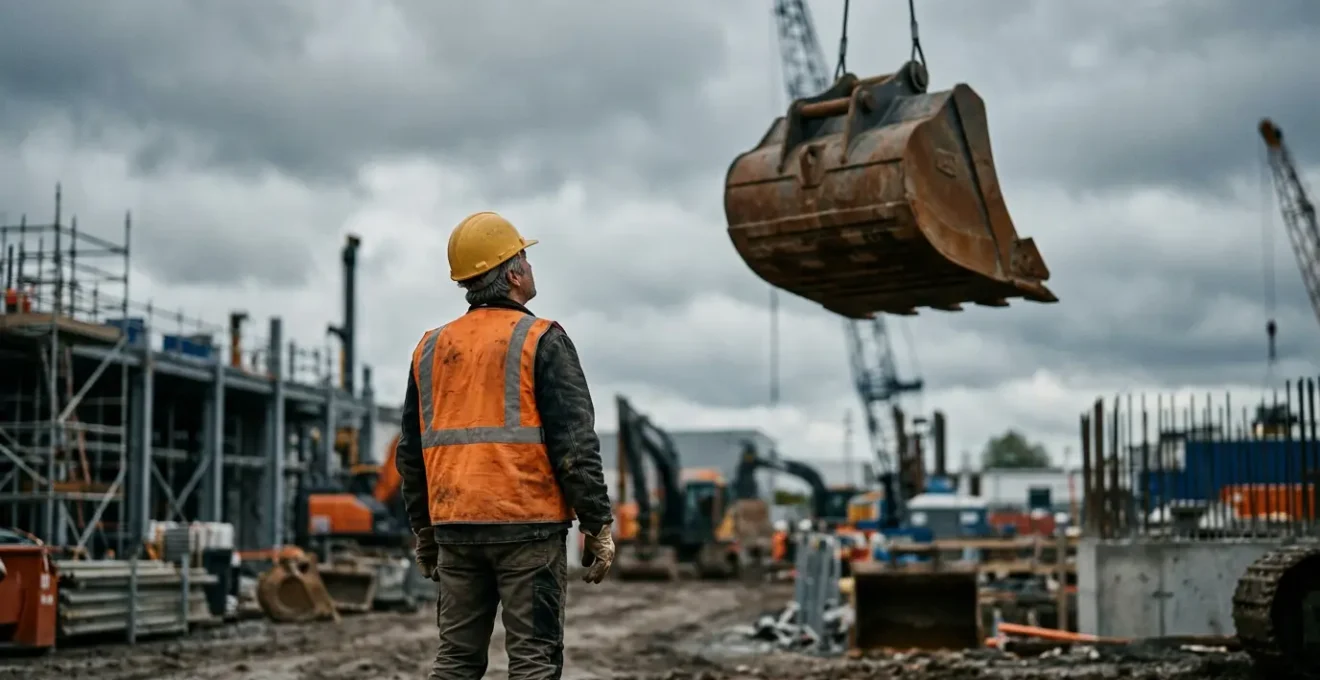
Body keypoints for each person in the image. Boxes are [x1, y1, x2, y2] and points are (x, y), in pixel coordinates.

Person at [395, 211, 616, 680]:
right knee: (534, 660)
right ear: (513, 274)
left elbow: (411, 454)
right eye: (525, 259)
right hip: (527, 528)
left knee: (456, 660)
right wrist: (597, 524)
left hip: (455, 527)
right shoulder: (542, 340)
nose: (531, 267)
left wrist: (425, 531)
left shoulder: (430, 348)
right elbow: (575, 446)